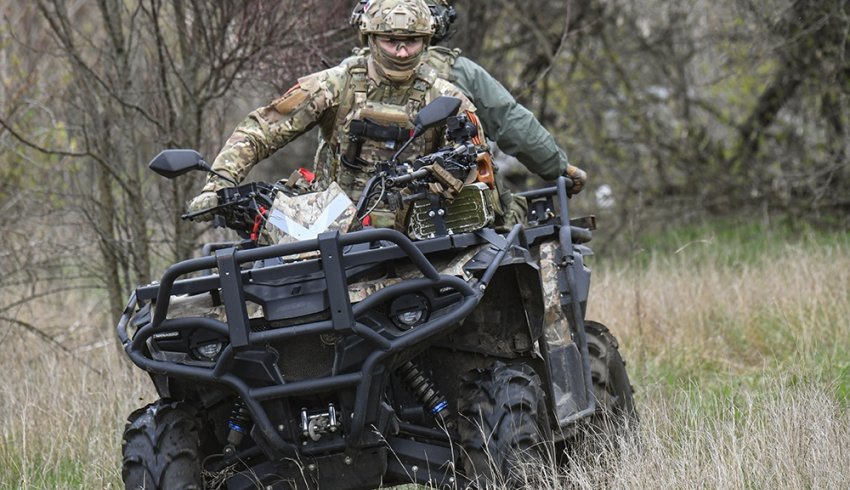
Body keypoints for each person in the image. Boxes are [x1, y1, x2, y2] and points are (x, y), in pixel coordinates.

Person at [188, 0, 488, 228]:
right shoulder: (335, 84)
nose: (401, 52)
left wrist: (448, 177)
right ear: (370, 38)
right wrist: (220, 184)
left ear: (426, 41)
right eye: (391, 41)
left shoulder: (448, 98)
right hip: (327, 224)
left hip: (413, 232)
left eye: (411, 42)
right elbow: (260, 131)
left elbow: (479, 169)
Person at [349, 0, 587, 192]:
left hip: (354, 209)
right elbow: (511, 123)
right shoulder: (460, 71)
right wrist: (558, 168)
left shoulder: (347, 72)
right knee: (511, 214)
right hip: (439, 212)